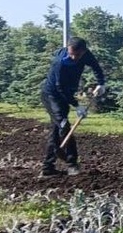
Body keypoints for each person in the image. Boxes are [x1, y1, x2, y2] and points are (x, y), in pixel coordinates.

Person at [40, 37, 106, 177]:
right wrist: (77, 105)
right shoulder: (59, 63)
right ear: (67, 49)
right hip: (52, 96)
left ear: (84, 51)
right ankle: (72, 164)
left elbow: (95, 66)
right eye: (71, 54)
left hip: (66, 95)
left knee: (56, 130)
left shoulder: (86, 54)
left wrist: (101, 83)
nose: (74, 57)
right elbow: (59, 88)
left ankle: (47, 167)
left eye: (77, 55)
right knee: (64, 126)